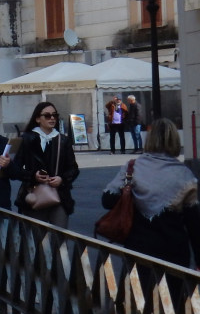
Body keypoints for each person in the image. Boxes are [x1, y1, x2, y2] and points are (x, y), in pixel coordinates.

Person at [101, 118, 200, 269]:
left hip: (138, 250)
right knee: (173, 292)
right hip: (174, 253)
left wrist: (129, 194)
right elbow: (193, 223)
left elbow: (107, 200)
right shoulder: (184, 174)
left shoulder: (132, 167)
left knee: (138, 291)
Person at [10, 101, 79, 226]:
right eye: (47, 115)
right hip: (34, 196)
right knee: (35, 239)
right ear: (37, 119)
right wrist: (33, 176)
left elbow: (73, 168)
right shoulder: (27, 139)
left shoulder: (62, 140)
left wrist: (61, 179)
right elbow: (15, 169)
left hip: (59, 195)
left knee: (59, 238)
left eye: (55, 115)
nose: (52, 118)